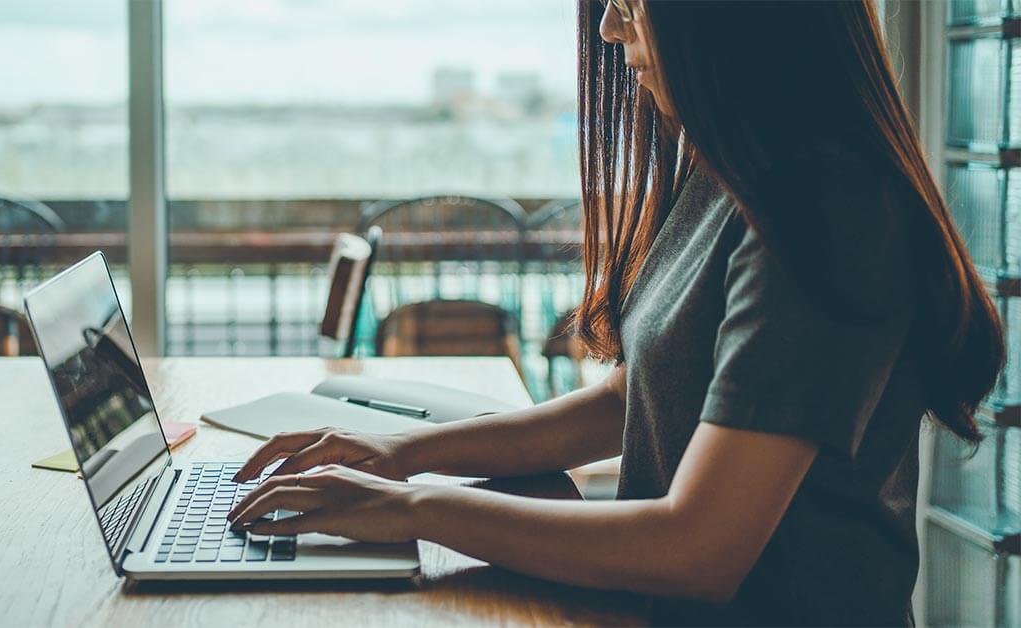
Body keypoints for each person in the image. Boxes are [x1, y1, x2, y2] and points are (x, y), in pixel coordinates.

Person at [227, 0, 1005, 624]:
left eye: (631, 0)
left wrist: (416, 508)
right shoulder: (729, 168)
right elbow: (631, 397)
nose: (608, 25)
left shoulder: (828, 210)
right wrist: (400, 453)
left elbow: (699, 548)